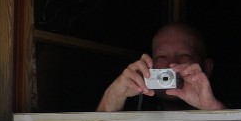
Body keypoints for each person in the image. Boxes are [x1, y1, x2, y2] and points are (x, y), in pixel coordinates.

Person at [96, 23, 226, 112]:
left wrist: (213, 109)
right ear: (149, 65)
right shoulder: (134, 107)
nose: (171, 65)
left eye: (184, 55)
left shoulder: (233, 111)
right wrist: (113, 97)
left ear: (207, 68)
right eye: (161, 57)